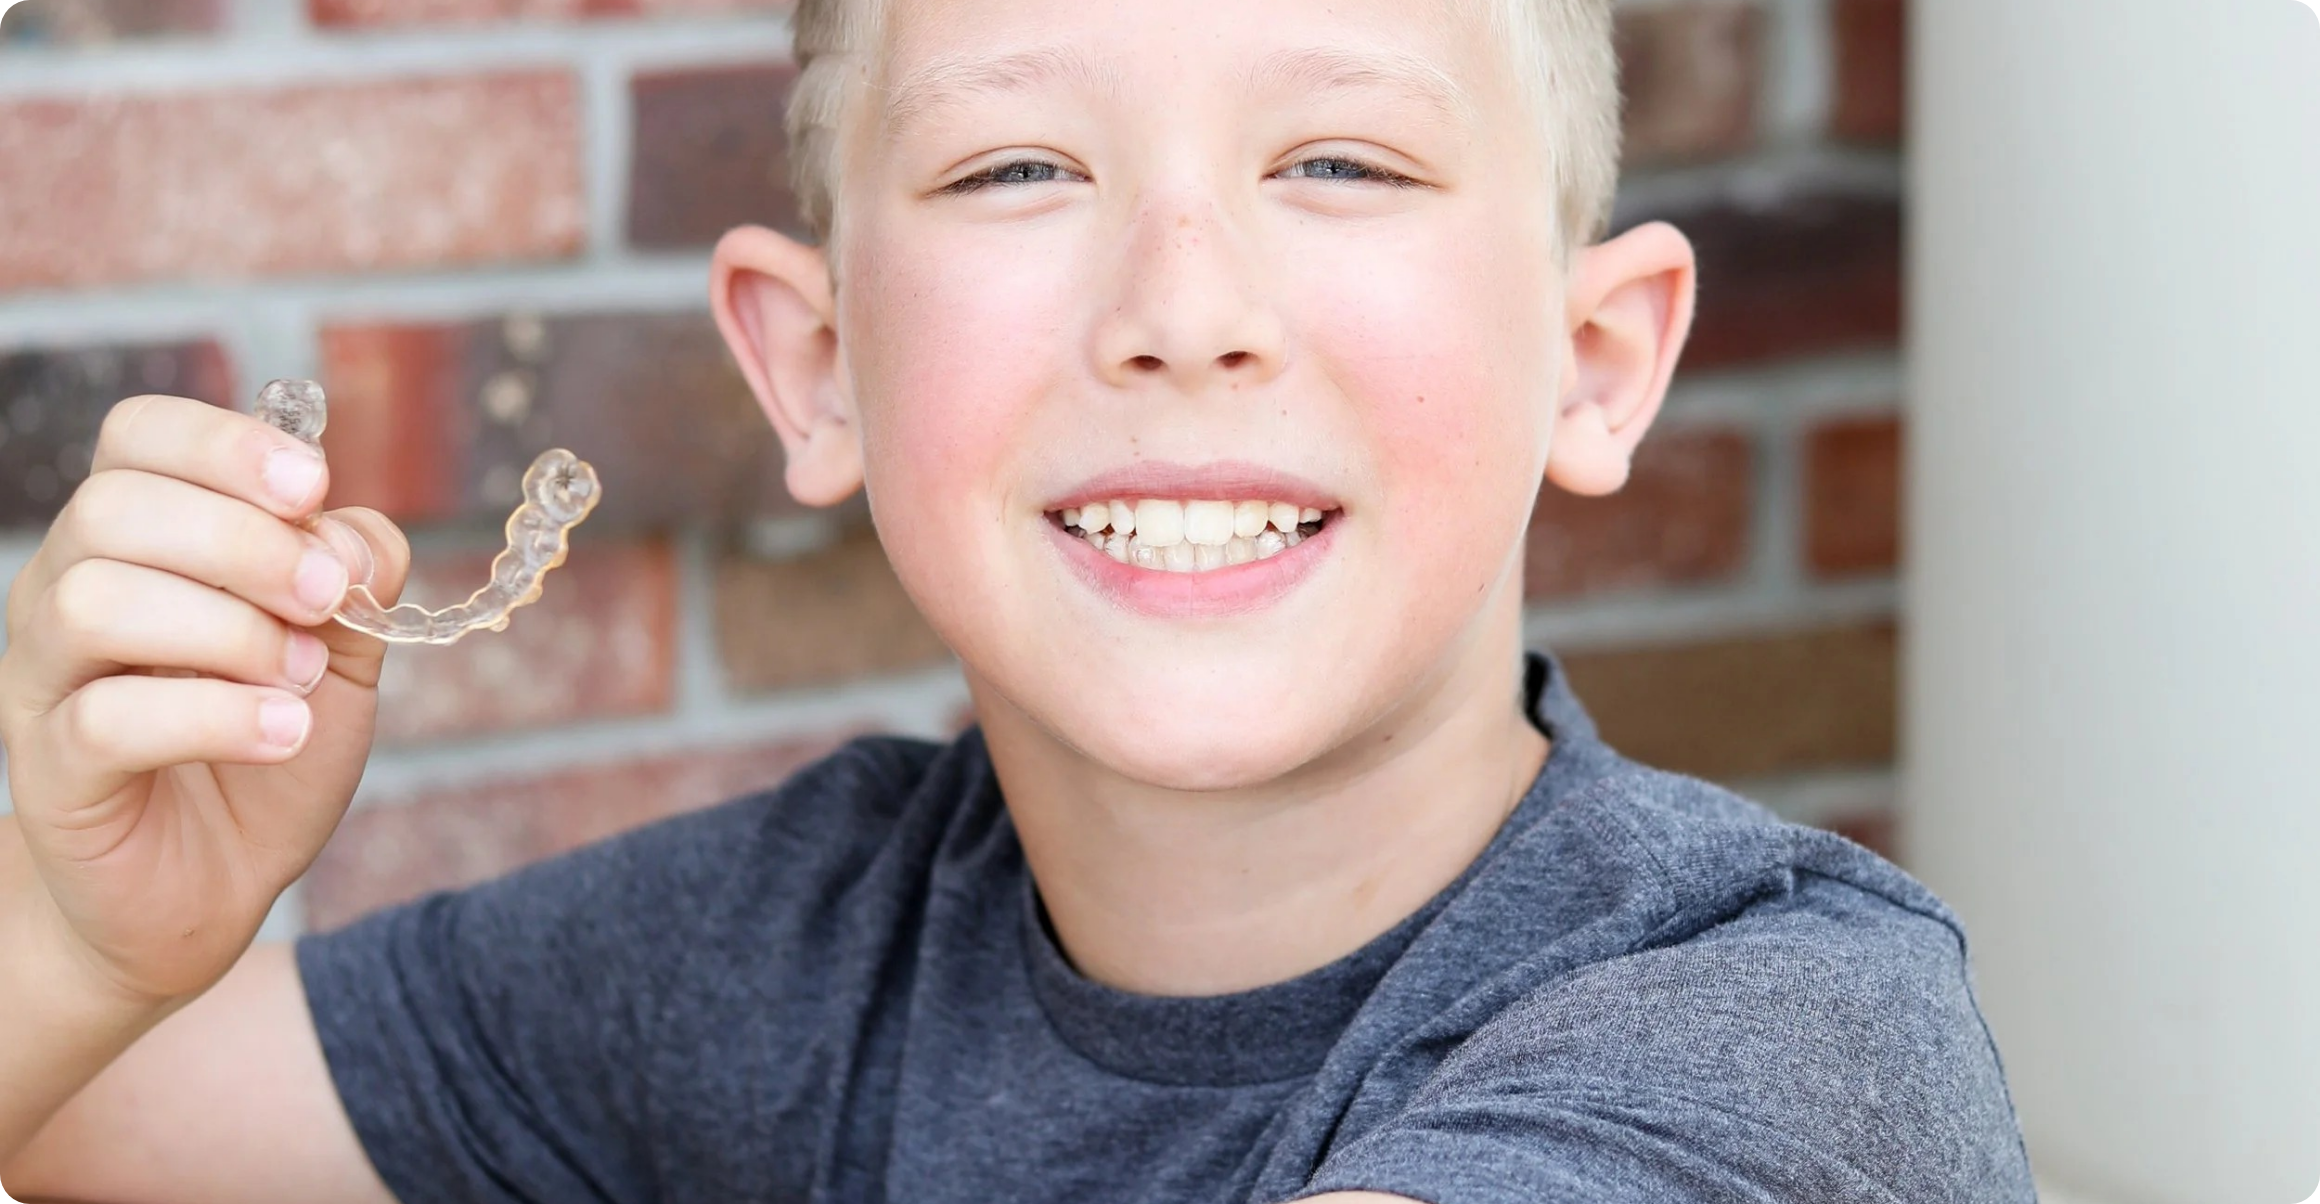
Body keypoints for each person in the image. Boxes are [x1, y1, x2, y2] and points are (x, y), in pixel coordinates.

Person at [0, 0, 2037, 1199]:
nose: (1180, 311)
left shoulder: (1782, 1043)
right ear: (812, 368)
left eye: (1335, 163)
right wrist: (77, 936)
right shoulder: (785, 950)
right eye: (1013, 172)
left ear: (1594, 358)